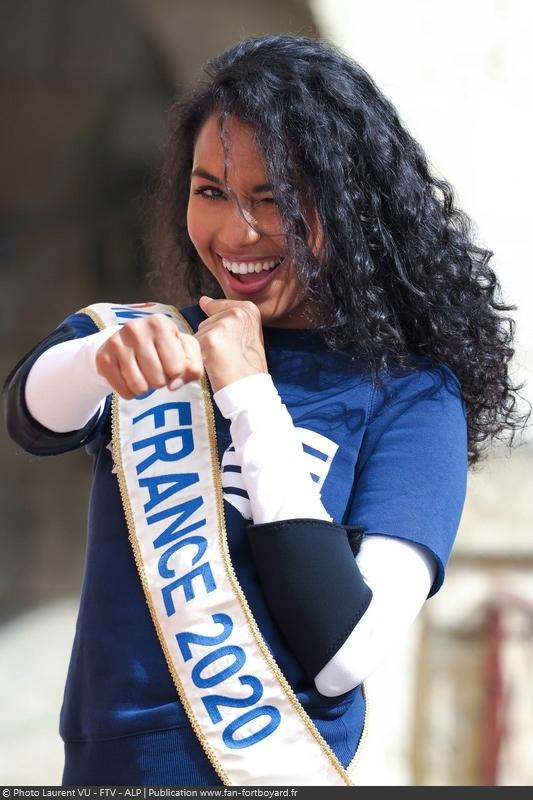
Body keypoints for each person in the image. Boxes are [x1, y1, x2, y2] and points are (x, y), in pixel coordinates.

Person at [3, 34, 527, 787]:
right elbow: (31, 413)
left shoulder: (411, 396)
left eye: (273, 200)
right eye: (210, 191)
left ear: (351, 208)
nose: (235, 235)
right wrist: (100, 359)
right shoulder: (154, 342)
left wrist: (250, 399)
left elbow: (344, 649)